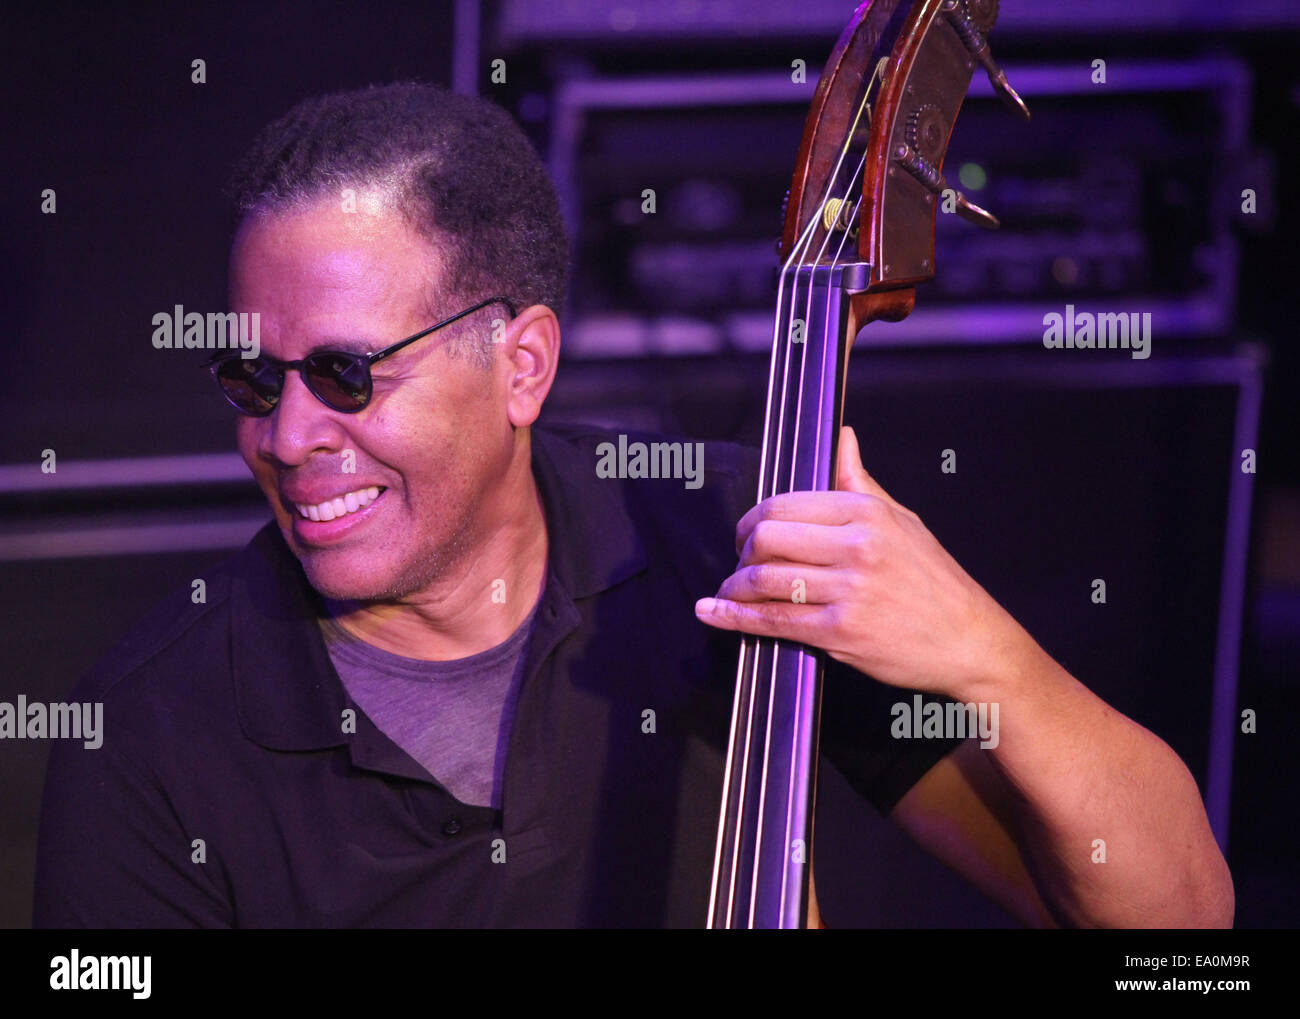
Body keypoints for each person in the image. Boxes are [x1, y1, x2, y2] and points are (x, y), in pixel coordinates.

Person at [34, 82, 1233, 928]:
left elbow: (1174, 919)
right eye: (255, 378)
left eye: (347, 373)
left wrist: (990, 658)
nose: (289, 437)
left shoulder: (725, 538)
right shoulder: (153, 734)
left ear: (522, 365)